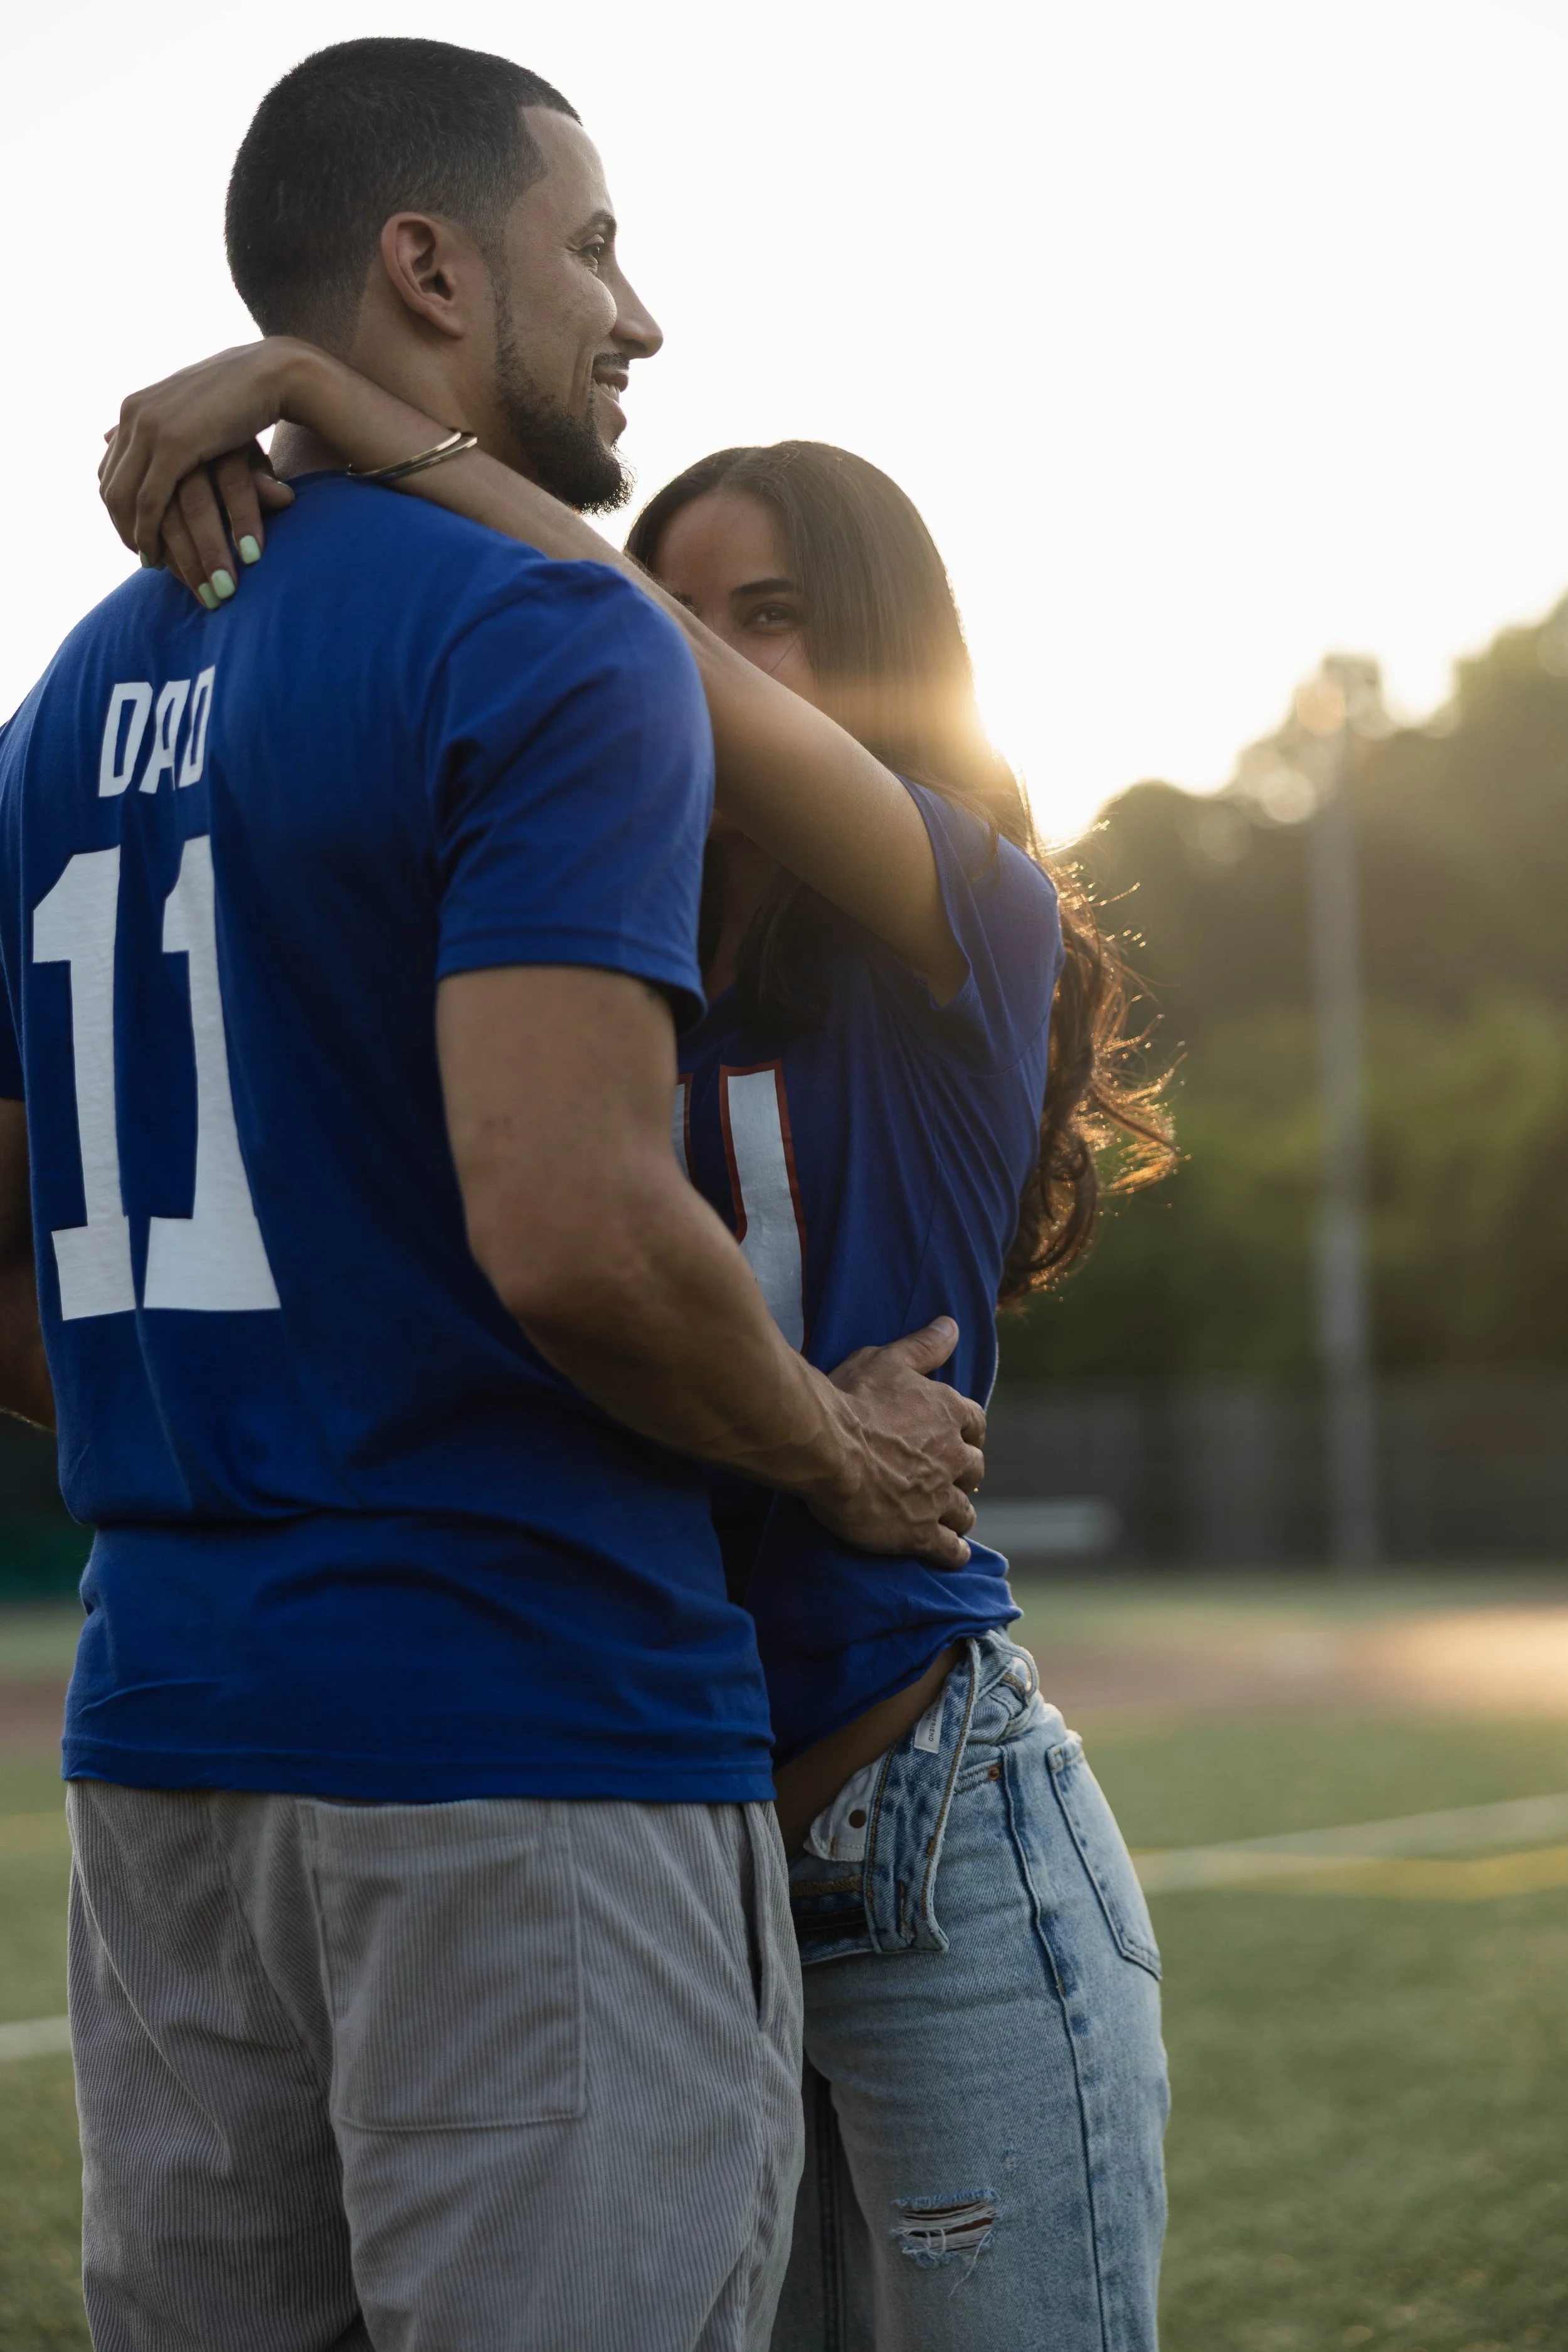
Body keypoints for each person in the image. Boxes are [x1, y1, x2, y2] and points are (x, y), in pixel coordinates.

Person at [1, 41, 992, 2352]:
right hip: (512, 1726)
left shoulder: (63, 700)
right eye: (595, 246)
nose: (636, 315)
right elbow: (569, 1220)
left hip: (169, 1743)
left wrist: (231, 1432)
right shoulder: (541, 639)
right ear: (429, 267)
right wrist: (832, 1441)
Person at [106, 391, 1176, 2345]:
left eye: (765, 613)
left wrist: (349, 418)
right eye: (681, 606)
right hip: (654, 1856)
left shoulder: (966, 922)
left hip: (917, 1828)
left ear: (877, 658)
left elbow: (630, 656)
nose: (691, 652)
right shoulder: (555, 969)